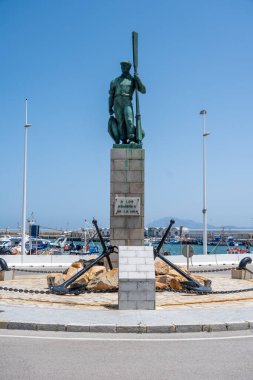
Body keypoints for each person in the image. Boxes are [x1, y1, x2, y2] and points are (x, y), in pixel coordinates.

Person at [108, 61, 146, 143]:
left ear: (129, 68)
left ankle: (131, 139)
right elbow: (111, 96)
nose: (123, 68)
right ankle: (123, 140)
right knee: (120, 121)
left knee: (129, 120)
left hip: (127, 101)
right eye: (122, 66)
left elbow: (143, 90)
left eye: (125, 66)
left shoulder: (132, 80)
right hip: (117, 102)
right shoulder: (115, 81)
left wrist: (138, 80)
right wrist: (110, 107)